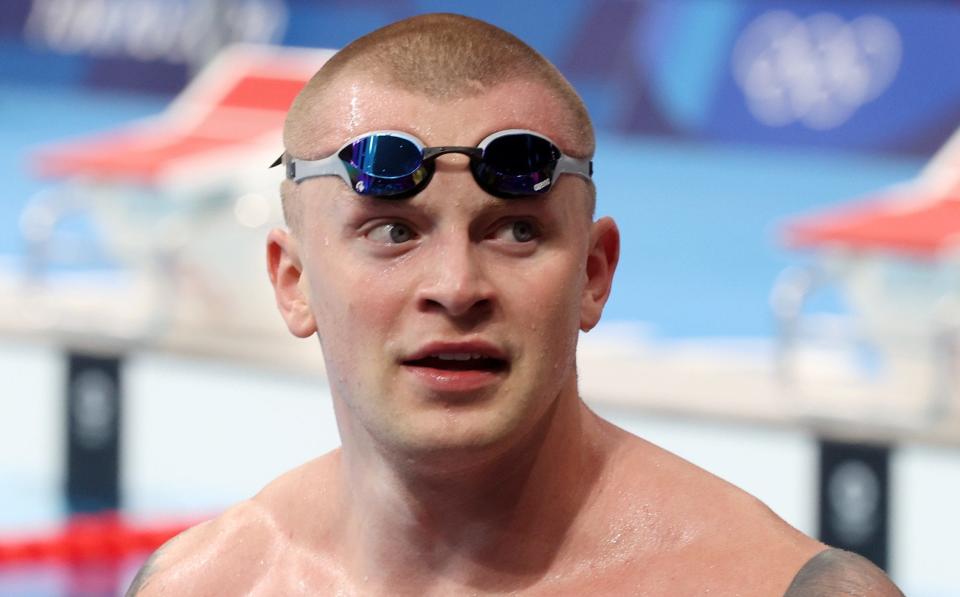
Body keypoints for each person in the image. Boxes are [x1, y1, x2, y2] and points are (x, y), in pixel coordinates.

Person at [127, 13, 903, 596]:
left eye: (516, 232)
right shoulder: (206, 584)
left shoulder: (772, 587)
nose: (457, 287)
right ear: (292, 283)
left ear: (595, 274)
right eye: (394, 232)